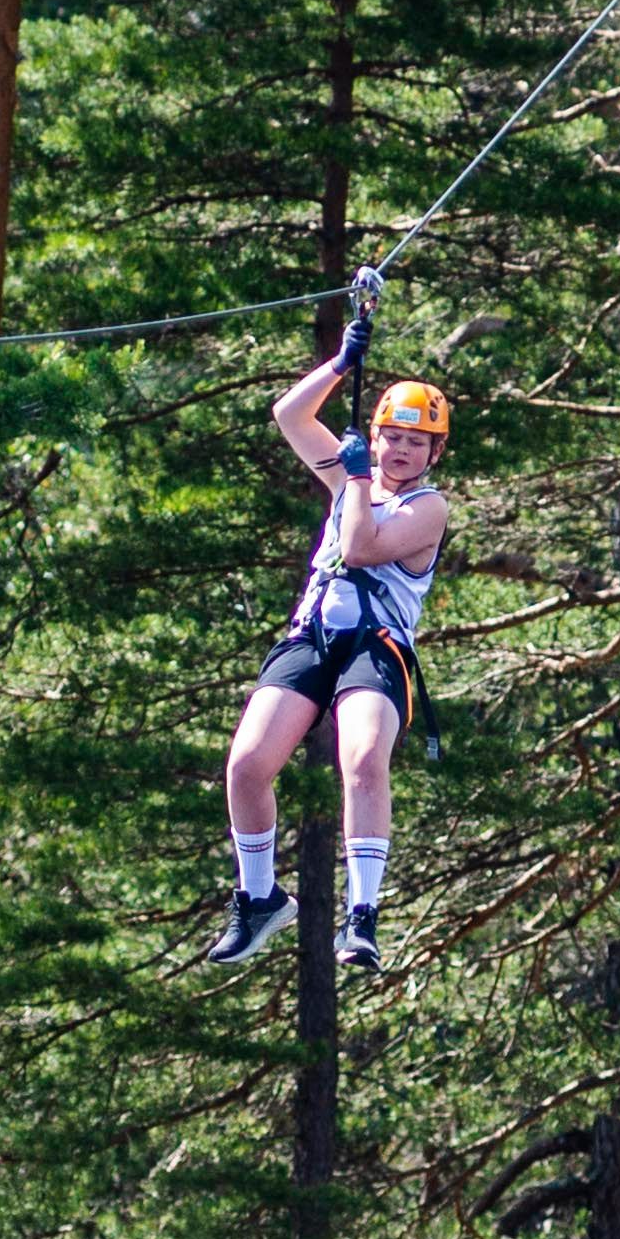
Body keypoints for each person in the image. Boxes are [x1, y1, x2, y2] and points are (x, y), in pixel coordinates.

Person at [216, 308, 443, 973]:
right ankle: (258, 899)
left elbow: (359, 545)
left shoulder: (427, 507)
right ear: (374, 438)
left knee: (365, 757)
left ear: (433, 454)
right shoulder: (353, 477)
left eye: (415, 442)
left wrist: (356, 478)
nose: (400, 450)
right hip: (315, 637)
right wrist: (341, 364)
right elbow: (289, 414)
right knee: (247, 765)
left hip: (376, 648)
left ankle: (362, 916)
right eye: (390, 437)